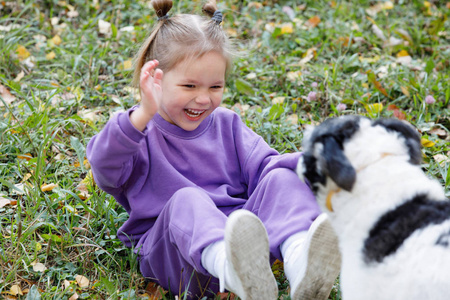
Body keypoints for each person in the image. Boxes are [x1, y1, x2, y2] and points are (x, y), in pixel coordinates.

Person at [86, 0, 341, 299]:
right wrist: (142, 113)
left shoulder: (227, 124)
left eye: (215, 87)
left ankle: (301, 263)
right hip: (175, 256)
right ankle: (231, 268)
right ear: (155, 78)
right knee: (188, 199)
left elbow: (267, 168)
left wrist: (316, 167)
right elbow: (105, 169)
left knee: (283, 179)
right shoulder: (139, 132)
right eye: (190, 87)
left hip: (247, 240)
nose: (204, 99)